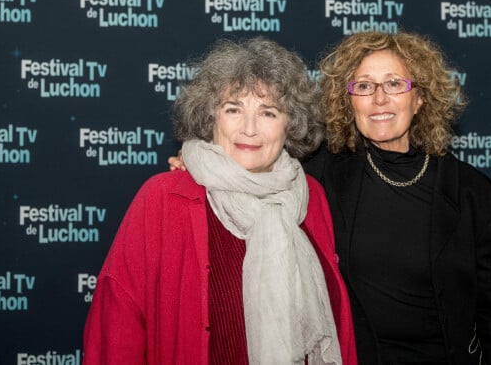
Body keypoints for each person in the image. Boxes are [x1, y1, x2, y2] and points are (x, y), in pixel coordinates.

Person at [83, 37, 357, 365]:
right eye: (233, 109)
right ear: (212, 118)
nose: (249, 129)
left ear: (291, 125)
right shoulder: (164, 198)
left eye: (268, 112)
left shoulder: (310, 198)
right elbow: (117, 328)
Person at [303, 30, 491, 364]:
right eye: (364, 86)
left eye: (393, 84)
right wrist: (192, 160)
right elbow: (253, 157)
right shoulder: (322, 175)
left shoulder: (473, 195)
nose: (379, 99)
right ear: (349, 102)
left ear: (419, 99)